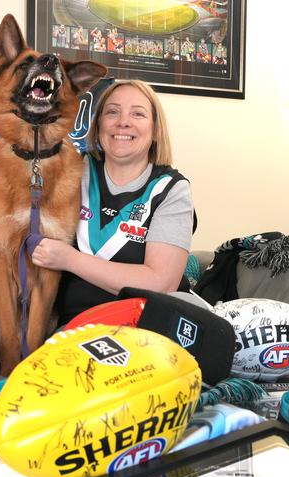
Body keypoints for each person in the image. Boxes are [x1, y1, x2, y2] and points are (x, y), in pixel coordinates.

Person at [31, 80, 195, 326]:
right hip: (77, 327)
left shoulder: (170, 189)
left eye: (137, 114)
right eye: (112, 112)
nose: (123, 122)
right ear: (98, 127)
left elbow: (161, 282)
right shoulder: (71, 171)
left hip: (147, 327)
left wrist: (70, 259)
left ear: (155, 130)